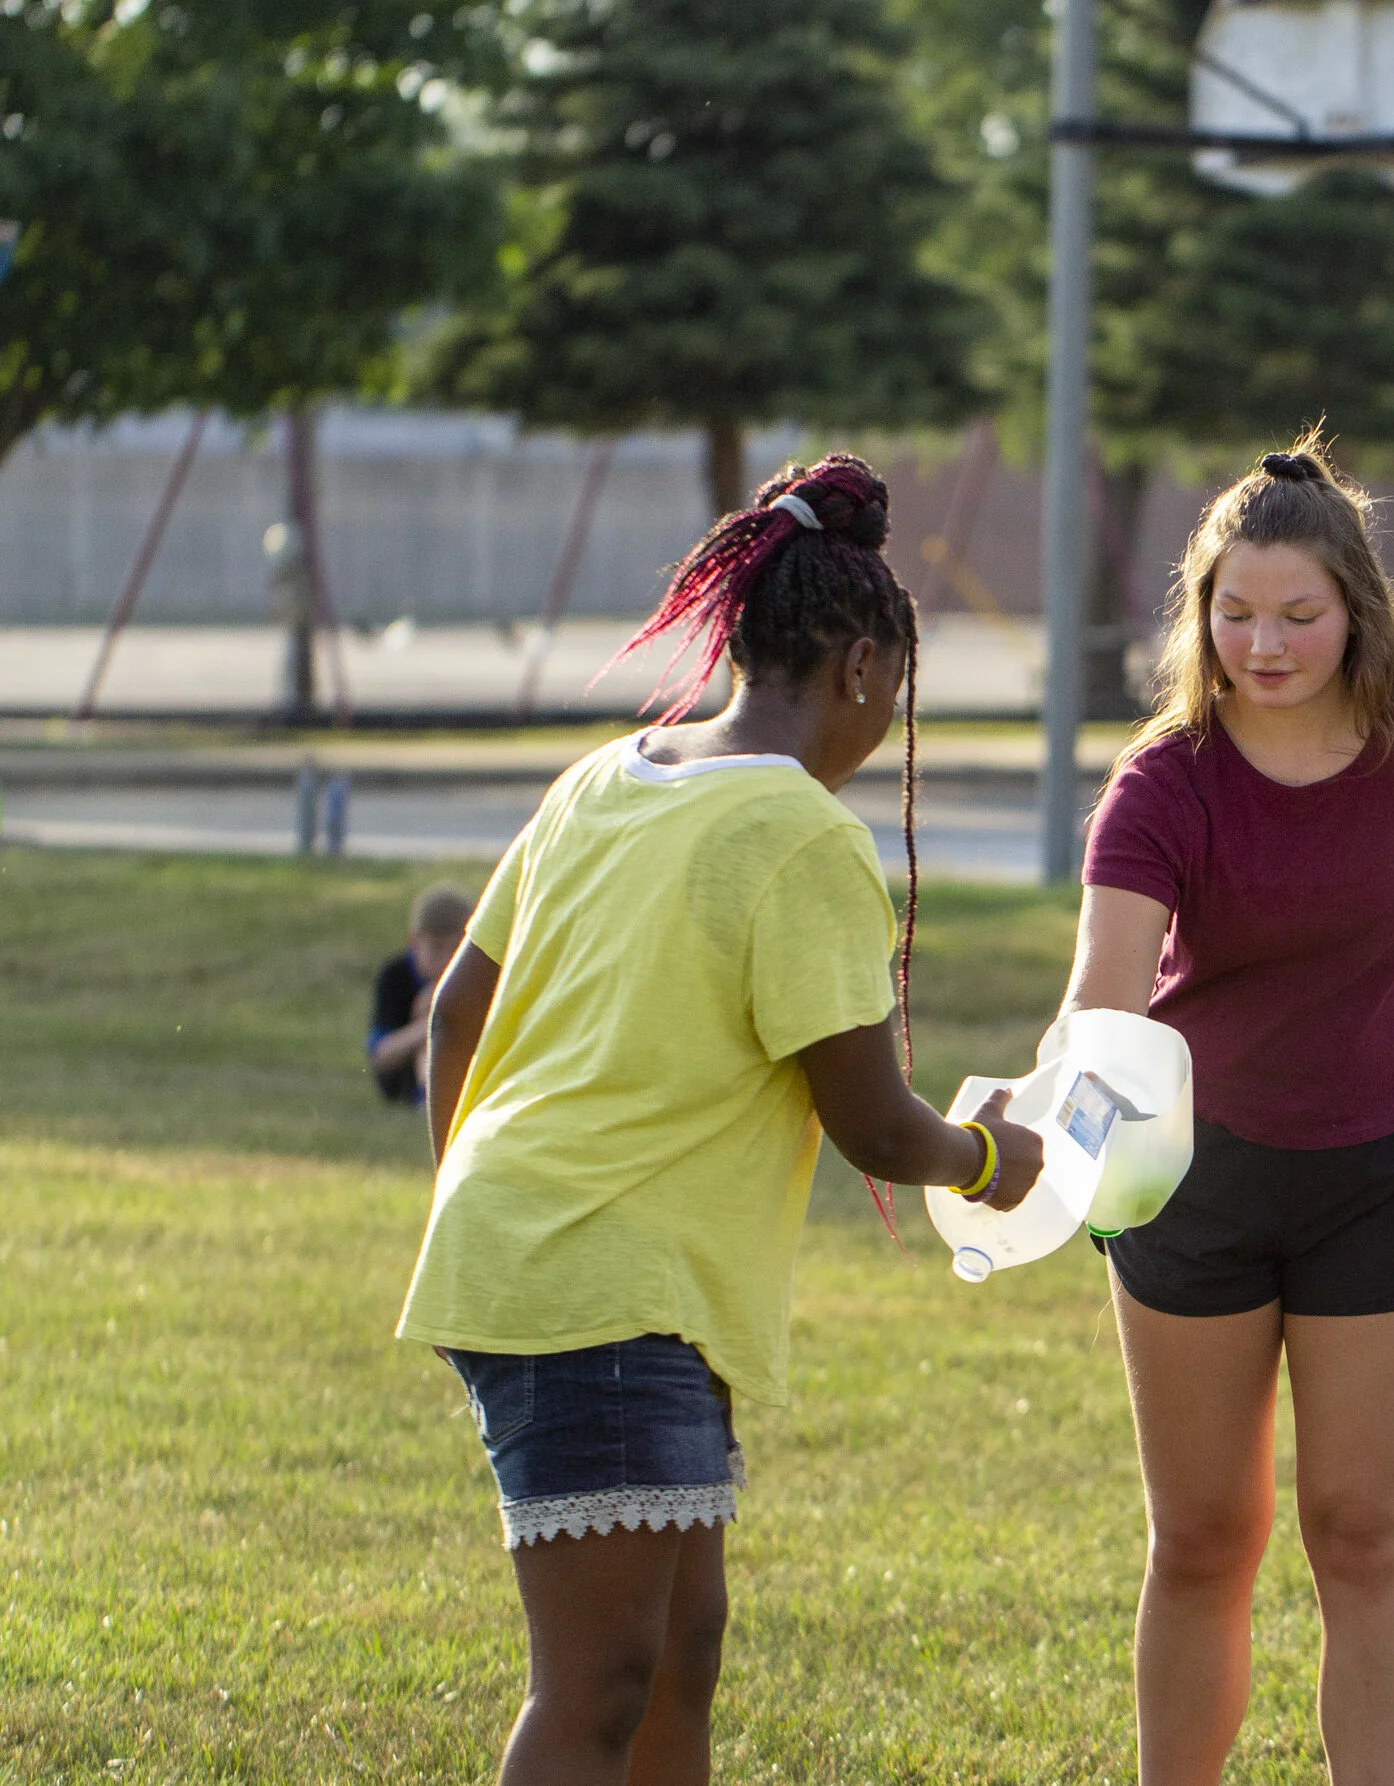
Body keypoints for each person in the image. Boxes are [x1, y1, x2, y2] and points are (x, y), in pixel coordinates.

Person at [397, 453, 1044, 1785]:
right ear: (864, 665)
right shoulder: (797, 829)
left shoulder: (602, 778)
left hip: (563, 1257)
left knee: (681, 1651)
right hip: (605, 1278)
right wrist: (988, 1157)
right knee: (598, 1684)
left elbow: (452, 1021)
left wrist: (479, 1207)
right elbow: (873, 1125)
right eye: (897, 698)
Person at [1064, 442, 1394, 1786]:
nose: (1262, 643)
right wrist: (1056, 1138)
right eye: (1234, 613)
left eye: (1297, 614)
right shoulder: (1166, 778)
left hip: (1383, 1178)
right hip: (1191, 1186)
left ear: (1359, 610)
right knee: (1205, 1537)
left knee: (1367, 1528)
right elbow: (1104, 997)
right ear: (1199, 611)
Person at [368, 883, 473, 1104]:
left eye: (456, 949)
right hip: (402, 1085)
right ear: (414, 941)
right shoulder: (395, 976)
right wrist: (432, 1022)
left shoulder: (473, 974)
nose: (446, 960)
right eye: (436, 947)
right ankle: (427, 1097)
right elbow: (381, 1054)